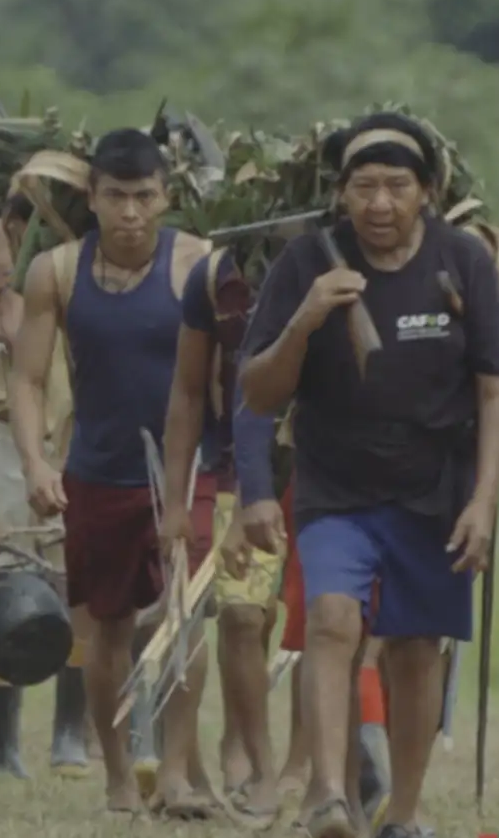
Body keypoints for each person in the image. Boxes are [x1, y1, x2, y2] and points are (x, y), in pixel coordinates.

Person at [239, 112, 499, 838]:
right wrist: (304, 321)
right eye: (364, 187)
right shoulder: (305, 261)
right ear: (341, 193)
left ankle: (406, 812)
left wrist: (485, 501)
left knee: (419, 649)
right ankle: (330, 795)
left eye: (397, 186)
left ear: (427, 192)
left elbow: (497, 387)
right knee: (332, 620)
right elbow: (259, 393)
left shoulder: (463, 261)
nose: (381, 203)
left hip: (436, 488)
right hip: (335, 484)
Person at [8, 128, 215, 817]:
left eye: (144, 197)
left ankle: (177, 772)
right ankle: (120, 775)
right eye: (117, 196)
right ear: (91, 197)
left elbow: (227, 376)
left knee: (188, 618)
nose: (130, 212)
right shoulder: (57, 272)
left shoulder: (198, 265)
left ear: (166, 197)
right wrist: (36, 462)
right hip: (97, 470)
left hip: (185, 472)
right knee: (106, 629)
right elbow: (27, 379)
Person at [0, 195, 91, 778]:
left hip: (70, 436)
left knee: (75, 587)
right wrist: (13, 266)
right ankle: (1, 748)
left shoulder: (87, 264)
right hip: (2, 443)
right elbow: (7, 333)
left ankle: (69, 736)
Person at [159, 244, 287, 822]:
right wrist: (175, 499)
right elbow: (188, 391)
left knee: (297, 621)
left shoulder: (347, 260)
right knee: (235, 615)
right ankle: (250, 766)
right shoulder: (217, 277)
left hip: (325, 470)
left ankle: (306, 769)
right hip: (232, 467)